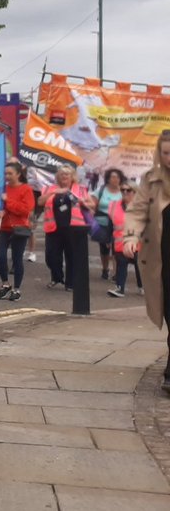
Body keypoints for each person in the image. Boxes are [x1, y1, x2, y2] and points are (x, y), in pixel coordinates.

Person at [121, 130, 170, 395]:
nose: (169, 158)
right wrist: (131, 236)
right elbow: (137, 211)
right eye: (165, 153)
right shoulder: (150, 181)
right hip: (162, 259)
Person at [38, 165, 94, 291]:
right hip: (54, 228)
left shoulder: (80, 189)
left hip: (73, 228)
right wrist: (53, 192)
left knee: (72, 256)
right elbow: (40, 202)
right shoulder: (50, 188)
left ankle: (70, 283)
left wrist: (82, 202)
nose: (64, 176)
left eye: (67, 174)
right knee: (51, 256)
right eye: (62, 174)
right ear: (58, 176)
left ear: (72, 177)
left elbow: (92, 204)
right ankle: (57, 277)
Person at [0, 162, 35, 301]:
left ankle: (17, 288)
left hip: (19, 228)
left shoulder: (26, 189)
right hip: (4, 227)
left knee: (17, 258)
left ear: (18, 174)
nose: (7, 176)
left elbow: (25, 210)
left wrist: (8, 202)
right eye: (5, 173)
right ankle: (5, 283)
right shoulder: (2, 188)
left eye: (10, 173)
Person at [109, 184, 142, 298]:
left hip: (138, 243)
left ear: (135, 192)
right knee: (121, 265)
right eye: (123, 190)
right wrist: (108, 239)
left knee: (140, 266)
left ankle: (142, 287)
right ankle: (120, 288)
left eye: (128, 190)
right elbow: (111, 224)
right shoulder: (114, 205)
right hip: (120, 243)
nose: (125, 192)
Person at [94, 168, 126, 280]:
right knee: (104, 248)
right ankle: (105, 269)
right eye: (112, 177)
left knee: (116, 248)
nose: (115, 179)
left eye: (117, 177)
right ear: (108, 178)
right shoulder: (102, 190)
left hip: (118, 224)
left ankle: (116, 273)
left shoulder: (124, 191)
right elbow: (93, 203)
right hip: (102, 222)